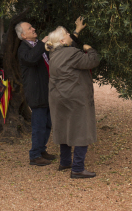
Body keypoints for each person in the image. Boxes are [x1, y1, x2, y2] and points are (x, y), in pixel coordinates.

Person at [45, 23, 100, 179]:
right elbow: (92, 61)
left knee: (64, 127)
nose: (70, 36)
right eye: (68, 34)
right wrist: (90, 49)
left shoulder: (54, 53)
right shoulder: (71, 53)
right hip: (74, 97)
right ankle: (77, 168)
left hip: (59, 97)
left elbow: (70, 47)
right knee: (81, 129)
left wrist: (77, 30)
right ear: (62, 41)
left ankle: (65, 161)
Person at [16, 21, 56, 166]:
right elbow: (31, 59)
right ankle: (34, 155)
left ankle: (41, 149)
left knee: (47, 124)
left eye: (32, 27)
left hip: (47, 91)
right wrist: (42, 44)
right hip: (36, 92)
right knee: (39, 125)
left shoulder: (38, 45)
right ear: (23, 35)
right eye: (29, 28)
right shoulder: (23, 49)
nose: (34, 29)